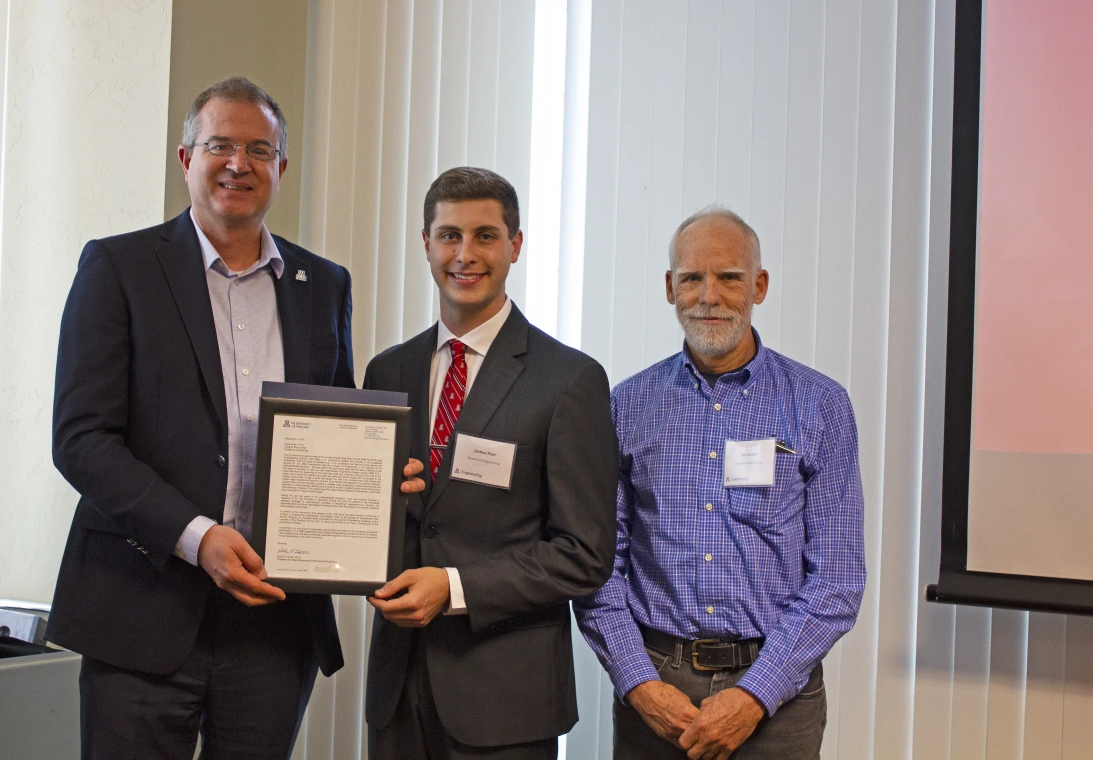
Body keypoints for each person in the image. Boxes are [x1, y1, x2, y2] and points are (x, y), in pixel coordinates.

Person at [49, 76, 423, 759]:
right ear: (187, 158)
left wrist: (375, 481)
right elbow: (81, 440)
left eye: (259, 149)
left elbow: (335, 422)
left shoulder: (323, 284)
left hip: (273, 624)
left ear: (280, 167)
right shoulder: (119, 267)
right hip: (141, 609)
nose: (238, 164)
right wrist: (198, 538)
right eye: (219, 145)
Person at [574, 207, 866, 760]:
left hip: (778, 698)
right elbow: (597, 568)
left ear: (759, 285)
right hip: (657, 694)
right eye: (691, 278)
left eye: (729, 277)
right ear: (670, 288)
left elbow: (838, 578)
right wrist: (639, 683)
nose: (709, 295)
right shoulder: (624, 407)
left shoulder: (820, 405)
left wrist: (756, 694)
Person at [363, 167, 620, 760]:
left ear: (516, 246)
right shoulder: (387, 372)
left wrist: (453, 588)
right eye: (449, 235)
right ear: (425, 244)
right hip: (397, 694)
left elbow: (584, 556)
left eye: (485, 235)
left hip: (506, 701)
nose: (465, 254)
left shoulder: (569, 380)